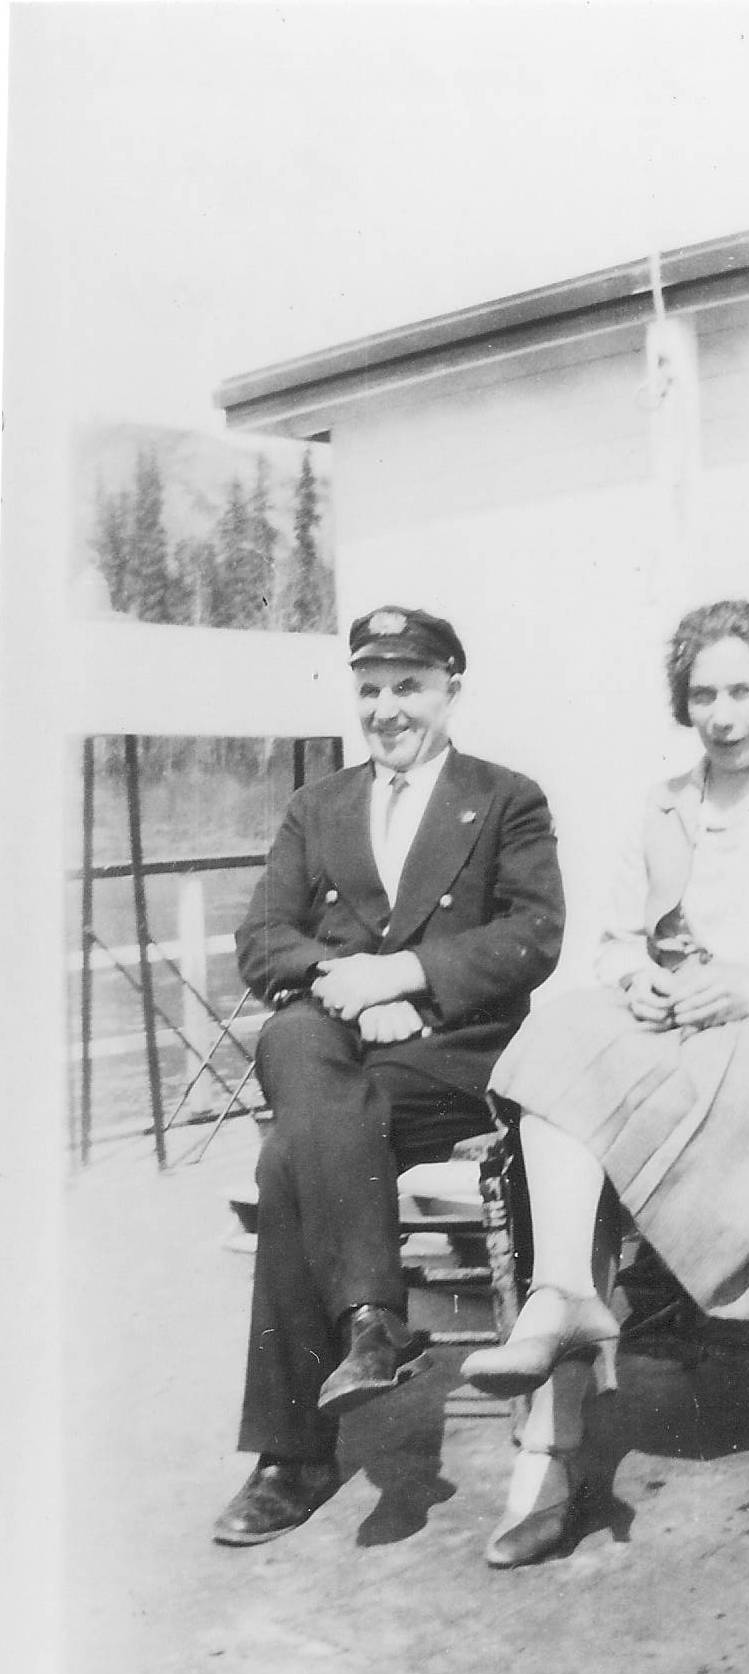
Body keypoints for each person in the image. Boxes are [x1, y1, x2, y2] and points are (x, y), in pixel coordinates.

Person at [461, 599, 749, 1567]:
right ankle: (565, 1294)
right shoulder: (664, 802)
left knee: (592, 1125)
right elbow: (615, 942)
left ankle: (548, 1449)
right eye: (703, 694)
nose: (724, 714)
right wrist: (640, 981)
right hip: (680, 1030)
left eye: (742, 690)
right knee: (565, 1032)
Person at [213, 606, 565, 1546]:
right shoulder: (318, 807)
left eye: (407, 686)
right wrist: (348, 984)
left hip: (448, 1058)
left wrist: (408, 976)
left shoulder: (504, 799)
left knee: (289, 1160)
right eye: (369, 688)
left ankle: (293, 1457)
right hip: (340, 1038)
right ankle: (372, 1319)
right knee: (291, 1042)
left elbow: (535, 937)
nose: (386, 708)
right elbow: (261, 940)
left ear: (451, 688)